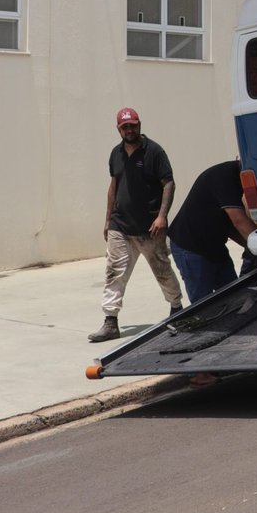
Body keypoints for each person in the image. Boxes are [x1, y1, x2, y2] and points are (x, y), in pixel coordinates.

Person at [90, 107, 184, 343]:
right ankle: (110, 321)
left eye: (132, 125)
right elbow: (113, 186)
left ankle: (177, 310)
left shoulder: (154, 151)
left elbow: (168, 183)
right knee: (114, 271)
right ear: (118, 129)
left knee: (162, 270)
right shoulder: (116, 153)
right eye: (125, 127)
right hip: (120, 224)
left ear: (139, 124)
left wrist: (162, 216)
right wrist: (107, 219)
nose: (129, 130)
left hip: (149, 227)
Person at [168, 159, 257, 305]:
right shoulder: (225, 177)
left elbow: (231, 227)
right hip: (191, 246)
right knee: (204, 303)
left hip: (215, 245)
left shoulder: (236, 180)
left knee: (233, 294)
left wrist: (251, 247)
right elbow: (239, 221)